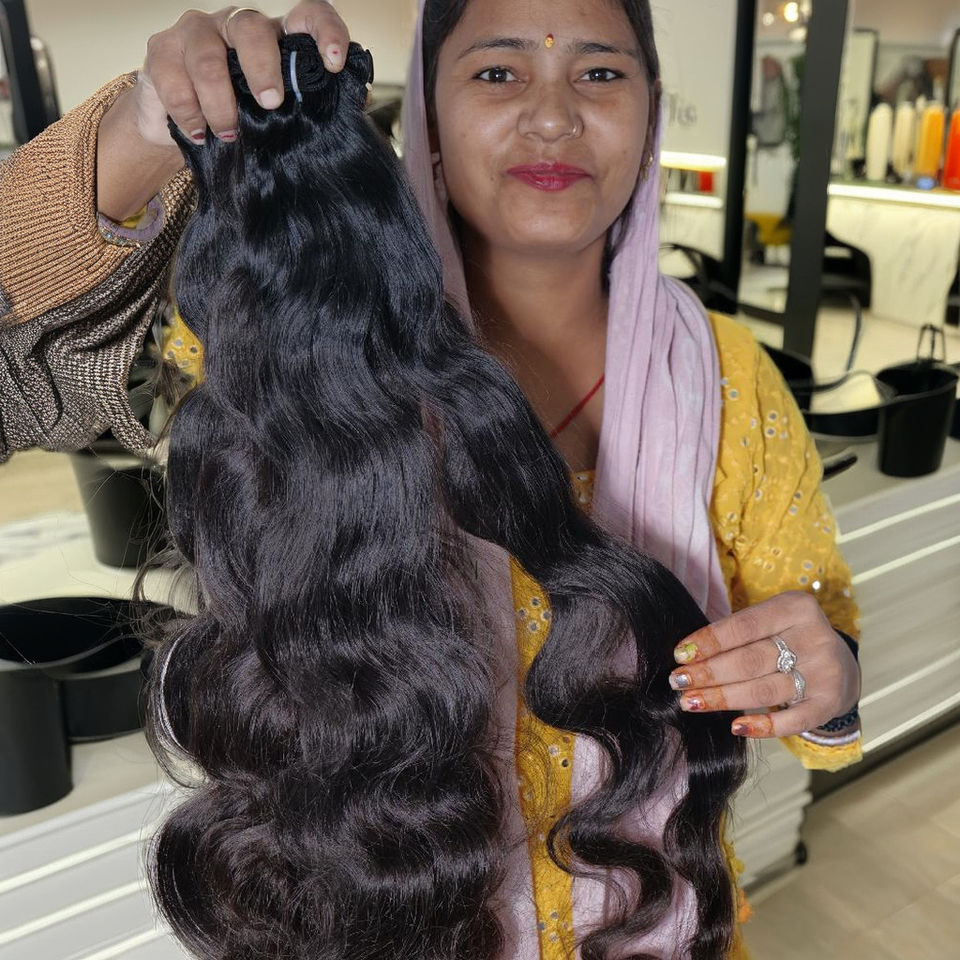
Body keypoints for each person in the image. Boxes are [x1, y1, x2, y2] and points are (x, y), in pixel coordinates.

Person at [0, 1, 862, 957]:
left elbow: (817, 654)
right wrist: (138, 135)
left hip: (666, 926)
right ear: (429, 120)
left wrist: (827, 678)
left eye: (600, 73)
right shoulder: (309, 357)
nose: (552, 116)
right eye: (497, 73)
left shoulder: (730, 378)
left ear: (652, 113)